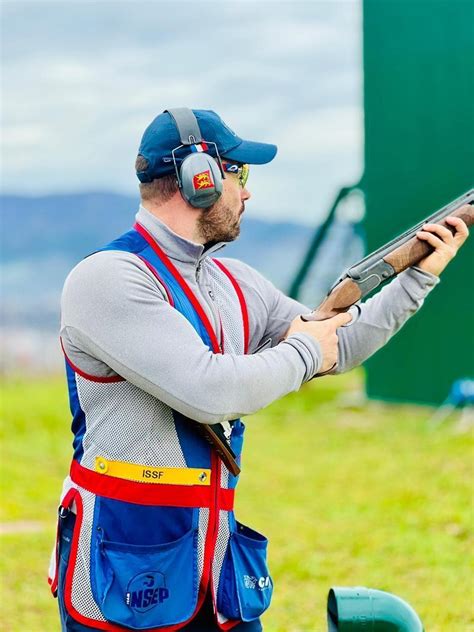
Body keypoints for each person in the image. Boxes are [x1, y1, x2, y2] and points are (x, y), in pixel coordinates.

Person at [48, 108, 469, 632]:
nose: (246, 192)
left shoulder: (234, 281)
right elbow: (208, 391)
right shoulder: (107, 279)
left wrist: (416, 279)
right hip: (124, 564)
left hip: (215, 564)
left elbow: (339, 340)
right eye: (237, 174)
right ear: (196, 179)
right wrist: (305, 350)